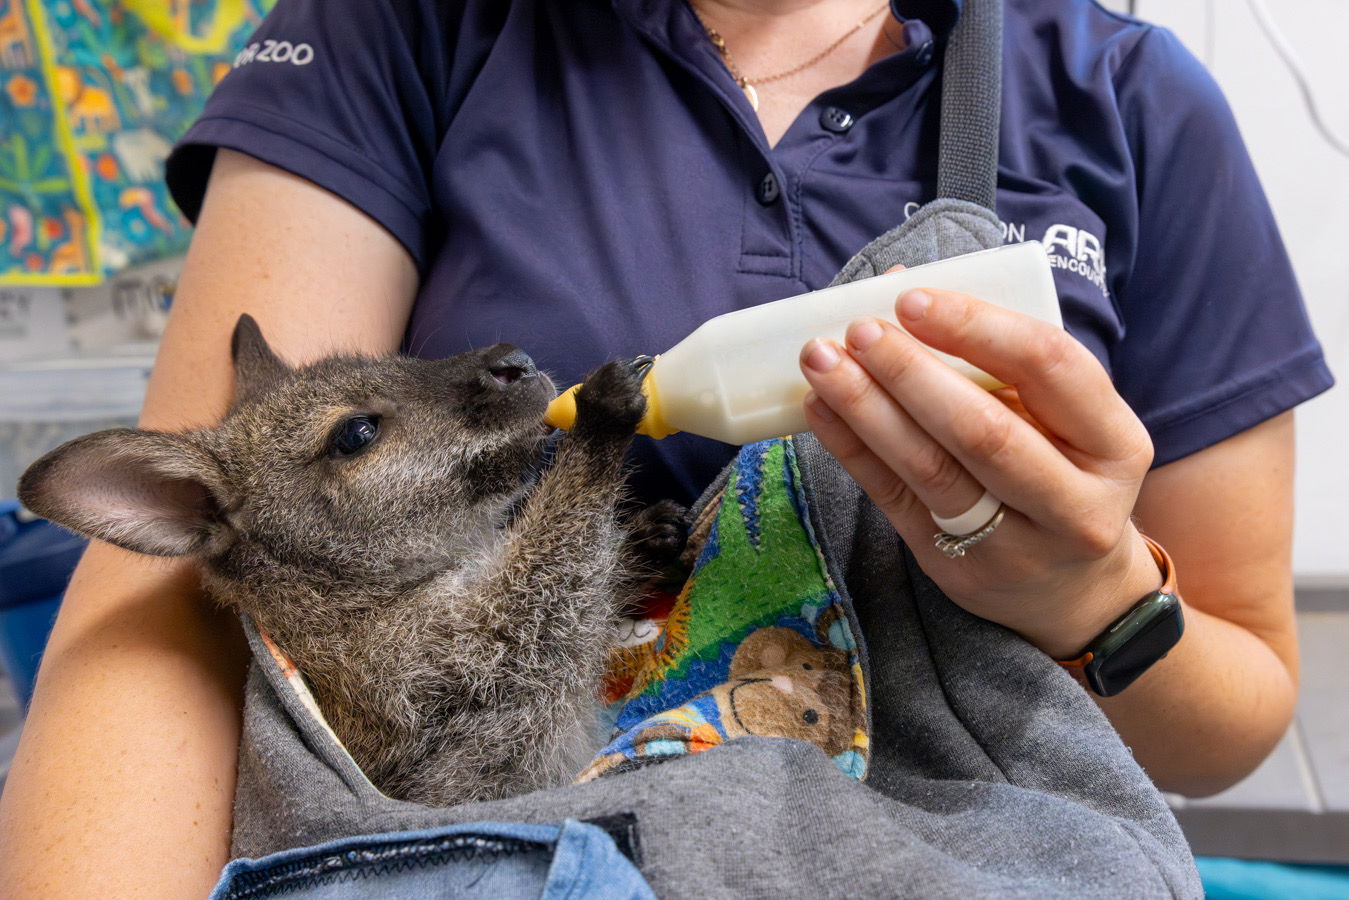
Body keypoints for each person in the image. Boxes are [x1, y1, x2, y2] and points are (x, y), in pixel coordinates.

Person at [0, 0, 1332, 894]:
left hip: (934, 817)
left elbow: (1233, 713)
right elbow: (158, 606)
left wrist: (1087, 597)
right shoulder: (407, 26)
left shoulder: (1123, 97)